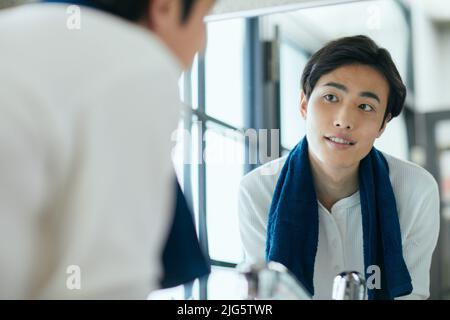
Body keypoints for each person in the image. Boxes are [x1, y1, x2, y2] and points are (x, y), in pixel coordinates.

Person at [0, 0, 214, 299]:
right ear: (165, 8)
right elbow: (104, 288)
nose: (202, 47)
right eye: (204, 19)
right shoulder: (137, 63)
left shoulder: (15, 30)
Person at [238, 35, 440, 300]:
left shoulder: (416, 189)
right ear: (303, 104)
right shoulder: (258, 189)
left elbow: (411, 296)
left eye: (365, 106)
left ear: (382, 124)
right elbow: (265, 297)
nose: (344, 120)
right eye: (331, 97)